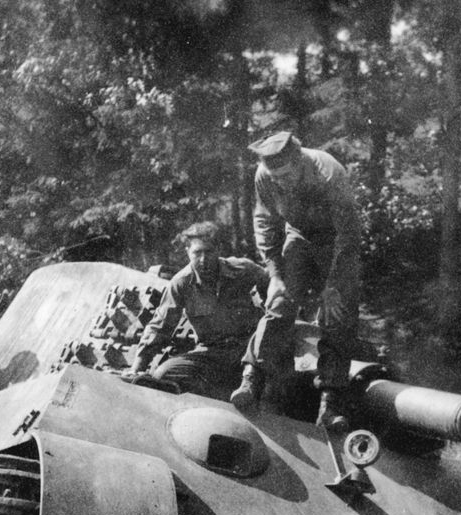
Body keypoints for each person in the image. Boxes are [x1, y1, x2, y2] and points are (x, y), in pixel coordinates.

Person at [231, 132, 362, 431]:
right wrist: (275, 275)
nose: (281, 182)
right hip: (299, 236)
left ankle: (330, 402)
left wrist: (333, 285)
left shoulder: (328, 172)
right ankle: (251, 379)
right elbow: (264, 222)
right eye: (275, 177)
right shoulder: (265, 175)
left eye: (286, 175)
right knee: (280, 301)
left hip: (336, 242)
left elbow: (349, 233)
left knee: (338, 315)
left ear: (300, 160)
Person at [130, 221, 268, 399]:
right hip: (212, 353)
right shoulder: (181, 283)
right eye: (197, 253)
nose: (203, 260)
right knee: (163, 374)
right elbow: (160, 327)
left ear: (218, 250)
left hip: (249, 348)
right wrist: (137, 368)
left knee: (265, 341)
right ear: (188, 252)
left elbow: (274, 289)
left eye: (209, 251)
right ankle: (223, 396)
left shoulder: (243, 269)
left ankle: (248, 386)